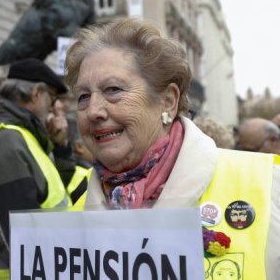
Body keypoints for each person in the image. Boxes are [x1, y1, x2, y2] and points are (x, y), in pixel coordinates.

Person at [64, 18, 280, 279]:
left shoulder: (266, 184)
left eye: (113, 90)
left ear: (167, 101)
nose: (93, 111)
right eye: (84, 96)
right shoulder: (72, 214)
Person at [0, 58, 72, 279]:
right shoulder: (7, 141)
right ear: (35, 93)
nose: (54, 106)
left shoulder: (19, 135)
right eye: (51, 97)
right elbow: (19, 238)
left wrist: (59, 146)